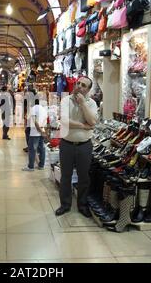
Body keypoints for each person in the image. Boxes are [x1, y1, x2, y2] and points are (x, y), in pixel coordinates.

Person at [55, 77, 99, 218]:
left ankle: (82, 205)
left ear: (88, 90)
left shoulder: (91, 103)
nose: (79, 86)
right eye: (78, 83)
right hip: (67, 144)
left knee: (84, 177)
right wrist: (84, 126)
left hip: (84, 146)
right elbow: (64, 120)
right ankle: (65, 205)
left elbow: (93, 121)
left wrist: (82, 104)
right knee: (66, 176)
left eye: (84, 85)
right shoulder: (66, 100)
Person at [22, 98, 48, 172]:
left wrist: (39, 130)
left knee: (32, 149)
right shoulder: (43, 109)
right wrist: (42, 130)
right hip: (41, 131)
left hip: (35, 132)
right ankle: (41, 165)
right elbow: (45, 120)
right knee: (42, 149)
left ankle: (31, 167)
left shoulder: (33, 109)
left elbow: (35, 122)